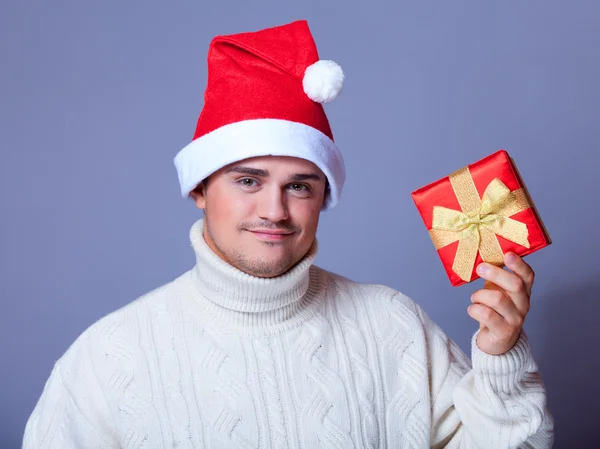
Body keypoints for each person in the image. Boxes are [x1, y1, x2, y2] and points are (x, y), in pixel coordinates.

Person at [23, 20, 553, 448]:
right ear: (200, 190)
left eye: (299, 186)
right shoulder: (108, 357)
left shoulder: (393, 325)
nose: (274, 210)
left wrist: (500, 358)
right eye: (248, 180)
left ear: (324, 197)